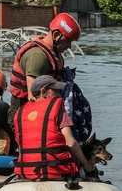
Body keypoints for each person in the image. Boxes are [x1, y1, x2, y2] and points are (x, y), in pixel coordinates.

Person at [8, 13, 93, 142]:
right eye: (68, 41)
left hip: (45, 110)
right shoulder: (38, 57)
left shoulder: (55, 53)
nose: (69, 46)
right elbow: (33, 97)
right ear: (56, 35)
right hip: (25, 113)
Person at [13, 75, 96, 180]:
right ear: (43, 92)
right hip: (55, 170)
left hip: (27, 171)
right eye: (55, 91)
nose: (59, 96)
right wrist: (86, 164)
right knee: (84, 163)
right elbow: (70, 143)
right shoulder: (56, 107)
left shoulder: (20, 113)